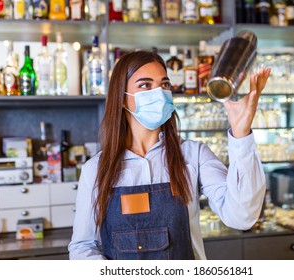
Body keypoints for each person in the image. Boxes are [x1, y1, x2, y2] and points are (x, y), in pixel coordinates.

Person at [68, 50, 271, 260]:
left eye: (164, 85)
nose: (159, 93)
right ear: (121, 98)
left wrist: (241, 134)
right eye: (145, 85)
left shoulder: (194, 156)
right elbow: (83, 247)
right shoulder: (97, 169)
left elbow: (242, 217)